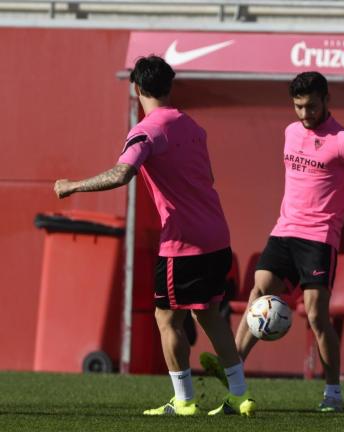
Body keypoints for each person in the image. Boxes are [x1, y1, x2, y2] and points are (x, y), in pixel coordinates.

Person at [53, 55, 254, 417]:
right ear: (169, 86)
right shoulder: (193, 127)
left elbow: (120, 174)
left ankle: (184, 401)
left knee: (167, 319)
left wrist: (72, 187)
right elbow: (207, 177)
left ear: (137, 88)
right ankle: (241, 396)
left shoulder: (147, 130)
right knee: (208, 315)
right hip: (217, 235)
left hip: (183, 243)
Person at [200, 71, 344, 412]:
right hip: (284, 231)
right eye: (298, 107)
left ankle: (333, 394)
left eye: (311, 106)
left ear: (326, 100)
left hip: (319, 238)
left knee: (316, 315)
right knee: (257, 293)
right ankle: (234, 379)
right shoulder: (290, 133)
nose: (304, 114)